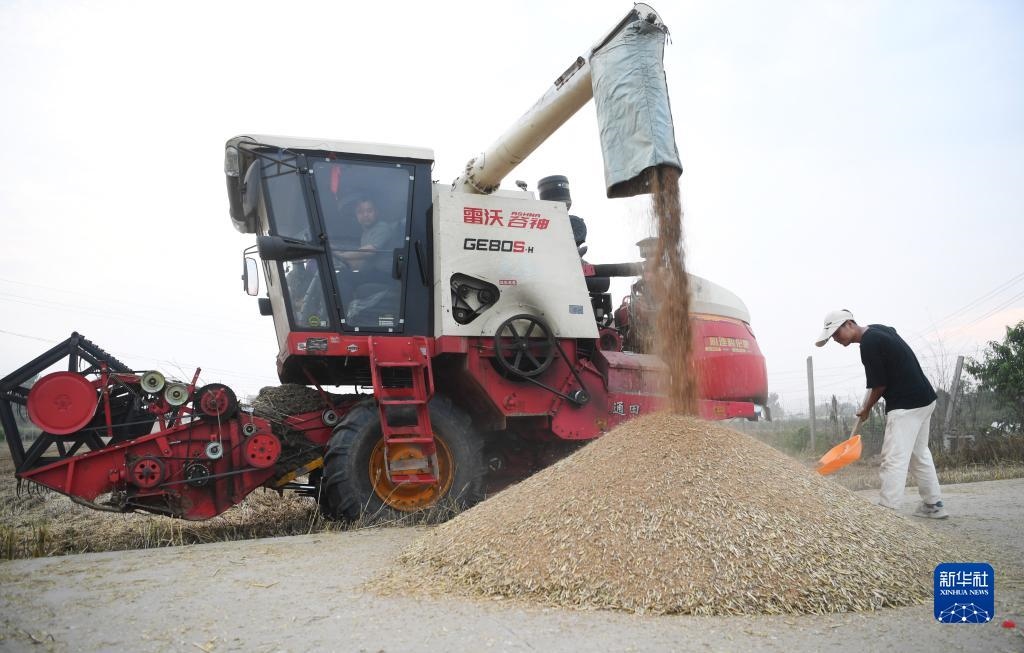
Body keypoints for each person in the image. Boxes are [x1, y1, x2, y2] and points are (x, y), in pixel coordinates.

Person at [815, 309, 948, 519]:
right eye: (832, 337)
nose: (836, 339)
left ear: (849, 324)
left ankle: (887, 512)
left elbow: (879, 385)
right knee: (919, 453)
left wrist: (866, 409)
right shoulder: (878, 330)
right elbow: (886, 361)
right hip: (925, 399)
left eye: (836, 333)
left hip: (906, 406)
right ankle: (934, 505)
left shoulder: (868, 344)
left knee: (893, 458)